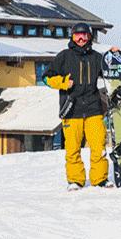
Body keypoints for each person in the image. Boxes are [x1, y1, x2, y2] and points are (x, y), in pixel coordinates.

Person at [43, 23, 110, 190]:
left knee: (98, 146)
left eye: (84, 35)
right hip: (71, 108)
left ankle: (100, 179)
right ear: (72, 37)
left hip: (94, 108)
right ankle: (75, 180)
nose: (81, 38)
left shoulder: (96, 57)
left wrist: (113, 56)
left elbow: (111, 71)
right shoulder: (64, 56)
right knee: (72, 149)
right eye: (77, 35)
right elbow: (46, 78)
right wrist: (63, 83)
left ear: (89, 37)